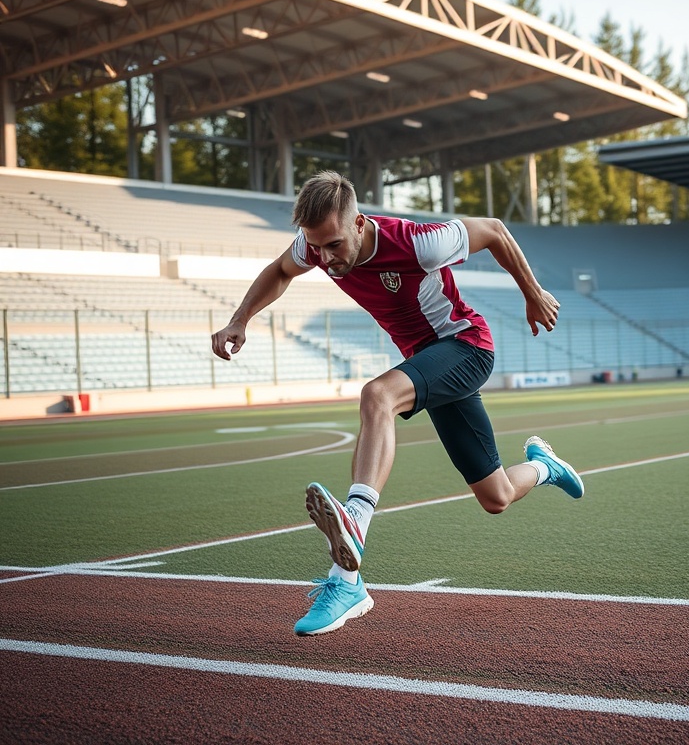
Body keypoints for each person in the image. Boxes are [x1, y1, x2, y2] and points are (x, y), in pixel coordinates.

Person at [211, 170, 584, 636]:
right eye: (317, 247)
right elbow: (280, 271)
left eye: (334, 245)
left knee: (377, 395)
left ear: (360, 224)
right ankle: (546, 466)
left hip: (466, 346)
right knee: (496, 497)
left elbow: (494, 229)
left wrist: (533, 293)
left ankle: (353, 540)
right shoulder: (314, 247)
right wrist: (239, 320)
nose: (325, 258)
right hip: (429, 363)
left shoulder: (417, 243)